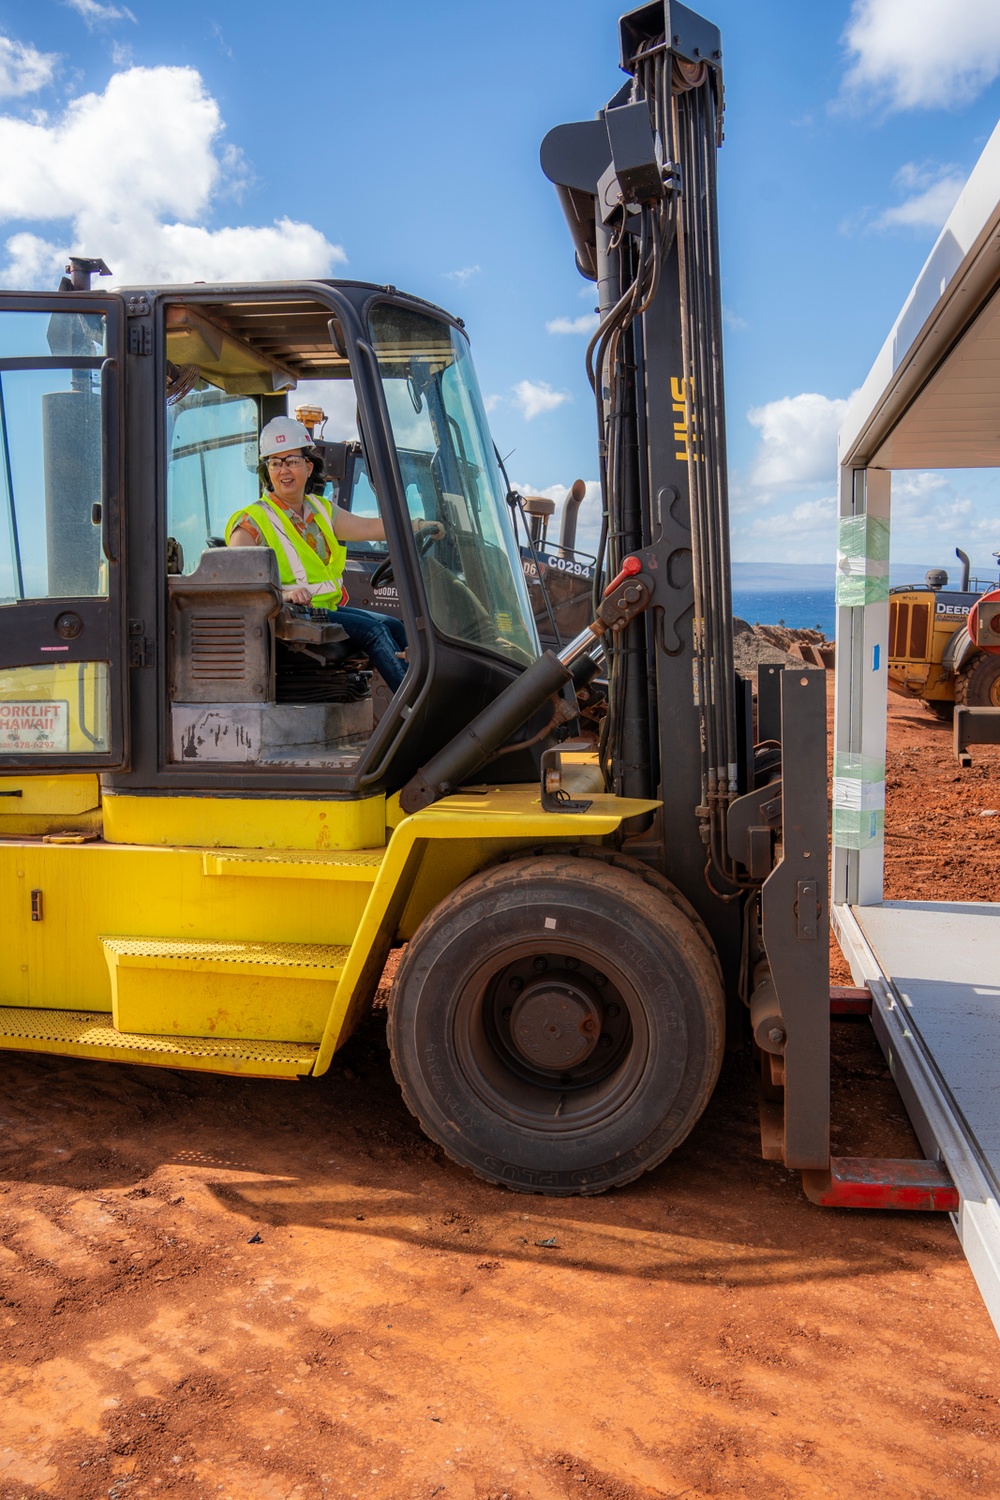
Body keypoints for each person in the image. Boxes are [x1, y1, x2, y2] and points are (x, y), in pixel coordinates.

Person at [226, 416, 438, 693]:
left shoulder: (320, 510)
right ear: (267, 471)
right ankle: (417, 707)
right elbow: (234, 586)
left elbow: (370, 527)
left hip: (323, 610)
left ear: (308, 465)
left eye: (291, 461)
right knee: (374, 632)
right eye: (275, 463)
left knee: (396, 626)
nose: (283, 470)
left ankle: (430, 695)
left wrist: (418, 525)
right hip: (288, 616)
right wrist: (284, 595)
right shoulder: (251, 521)